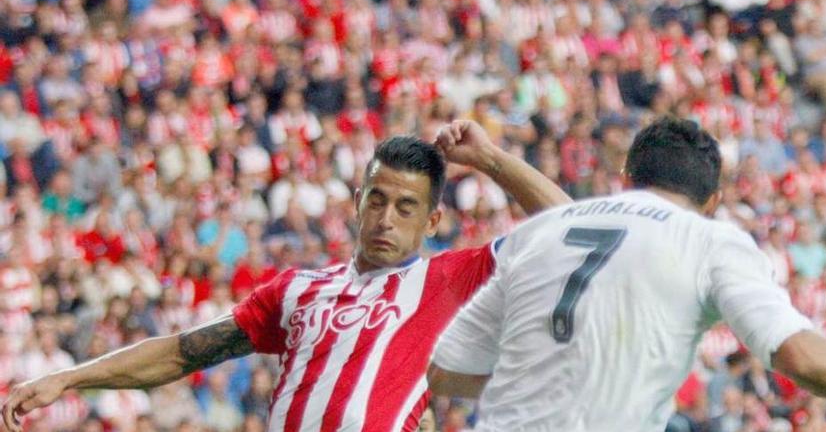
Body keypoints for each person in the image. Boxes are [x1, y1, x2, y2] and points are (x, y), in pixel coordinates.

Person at [0, 120, 570, 432]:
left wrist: (492, 160)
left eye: (405, 207)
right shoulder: (298, 290)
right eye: (377, 200)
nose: (386, 219)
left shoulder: (448, 279)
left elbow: (570, 229)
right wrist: (69, 379)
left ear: (433, 219)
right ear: (355, 203)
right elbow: (180, 352)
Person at [429, 117, 826, 431]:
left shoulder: (544, 236)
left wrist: (492, 159)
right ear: (713, 203)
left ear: (625, 179)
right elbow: (801, 357)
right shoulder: (710, 241)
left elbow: (441, 370)